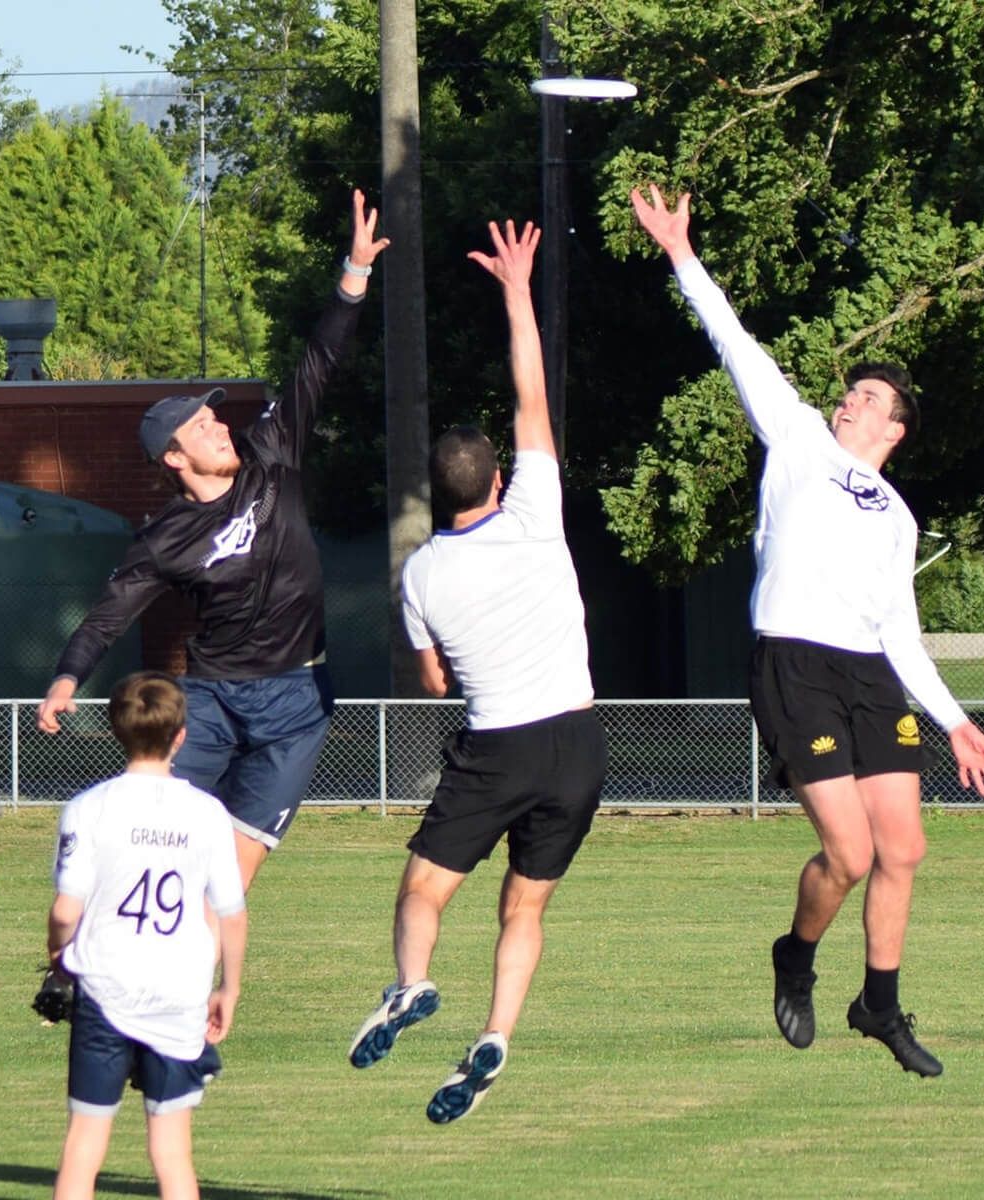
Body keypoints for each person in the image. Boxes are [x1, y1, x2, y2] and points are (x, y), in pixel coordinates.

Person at [629, 184, 984, 1077]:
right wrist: (683, 256)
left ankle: (878, 1005)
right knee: (848, 851)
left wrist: (955, 720)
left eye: (870, 395)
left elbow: (901, 632)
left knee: (904, 848)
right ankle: (794, 957)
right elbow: (737, 345)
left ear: (896, 428)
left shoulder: (898, 514)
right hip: (795, 663)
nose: (851, 398)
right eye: (852, 389)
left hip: (872, 671)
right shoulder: (800, 439)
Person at [37, 188, 391, 890]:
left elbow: (317, 364)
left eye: (214, 419)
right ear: (173, 458)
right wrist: (66, 677)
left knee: (230, 873)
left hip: (297, 698)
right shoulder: (165, 538)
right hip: (212, 701)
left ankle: (195, 997)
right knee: (153, 844)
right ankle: (89, 948)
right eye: (199, 428)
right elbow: (108, 618)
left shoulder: (273, 452)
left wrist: (354, 275)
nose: (217, 427)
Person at [347, 219, 608, 1125]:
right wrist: (514, 287)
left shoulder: (420, 571)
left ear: (438, 491)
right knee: (523, 910)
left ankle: (412, 984)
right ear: (499, 475)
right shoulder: (538, 510)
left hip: (496, 745)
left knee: (424, 888)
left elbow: (432, 683)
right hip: (578, 744)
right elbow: (530, 390)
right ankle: (496, 1033)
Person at [46, 670, 248, 1200]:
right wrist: (229, 987)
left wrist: (57, 954)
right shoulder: (207, 813)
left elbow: (67, 908)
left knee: (84, 1144)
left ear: (117, 729)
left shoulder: (89, 807)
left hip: (106, 984)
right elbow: (230, 910)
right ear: (180, 735)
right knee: (171, 1151)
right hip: (179, 990)